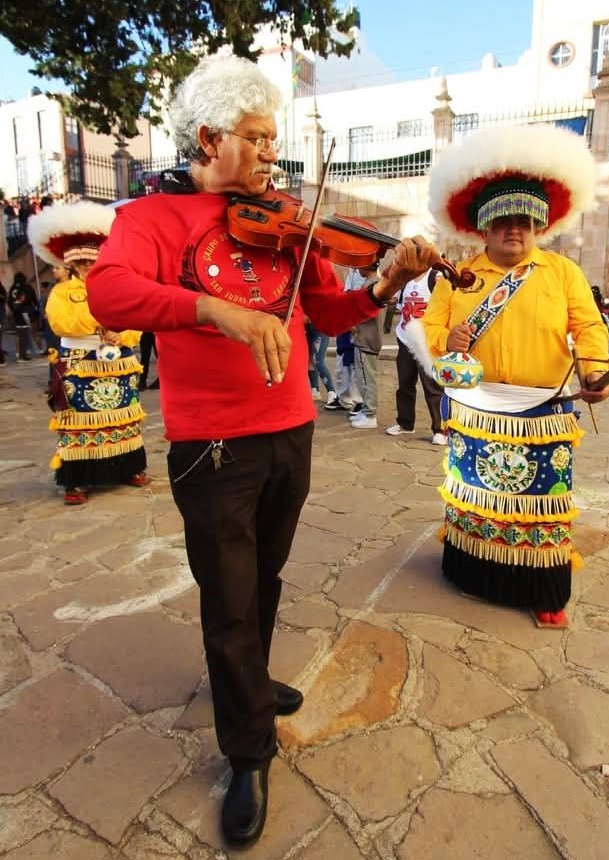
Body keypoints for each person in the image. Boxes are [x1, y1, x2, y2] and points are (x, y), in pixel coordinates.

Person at [84, 53, 439, 850]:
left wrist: (386, 282)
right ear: (208, 139)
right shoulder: (151, 221)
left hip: (290, 431)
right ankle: (247, 751)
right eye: (256, 138)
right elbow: (108, 293)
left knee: (264, 577)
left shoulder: (284, 218)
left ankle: (247, 680)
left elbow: (336, 313)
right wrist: (216, 310)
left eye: (275, 138)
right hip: (210, 445)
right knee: (229, 594)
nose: (272, 156)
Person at [413, 123, 609, 629]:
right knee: (475, 500)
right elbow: (430, 327)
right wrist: (447, 341)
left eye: (524, 220)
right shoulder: (459, 276)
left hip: (542, 413)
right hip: (476, 412)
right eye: (502, 222)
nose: (514, 230)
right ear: (483, 228)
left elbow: (588, 326)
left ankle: (544, 591)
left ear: (538, 225)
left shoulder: (562, 273)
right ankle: (472, 575)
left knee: (540, 508)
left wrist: (594, 369)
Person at [28, 201, 150, 506]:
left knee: (123, 417)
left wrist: (121, 332)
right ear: (72, 265)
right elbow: (61, 322)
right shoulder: (62, 293)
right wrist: (102, 322)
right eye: (81, 263)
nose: (87, 267)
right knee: (80, 420)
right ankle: (77, 478)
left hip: (117, 362)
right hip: (80, 362)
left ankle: (128, 467)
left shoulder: (119, 286)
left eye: (91, 261)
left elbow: (138, 319)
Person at [386, 268, 446, 445]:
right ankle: (405, 422)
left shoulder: (435, 277)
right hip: (405, 339)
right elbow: (395, 300)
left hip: (426, 343)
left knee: (432, 387)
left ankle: (440, 429)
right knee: (404, 384)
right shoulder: (405, 279)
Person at [344, 263, 383, 429]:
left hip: (367, 338)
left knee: (367, 379)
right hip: (364, 336)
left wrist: (352, 320)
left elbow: (366, 311)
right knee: (363, 377)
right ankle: (366, 410)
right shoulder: (373, 283)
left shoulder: (373, 285)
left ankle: (370, 414)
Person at [7, 271, 39, 360]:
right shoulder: (27, 288)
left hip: (16, 313)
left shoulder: (12, 288)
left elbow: (9, 301)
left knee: (19, 333)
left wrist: (13, 309)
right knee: (27, 332)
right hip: (26, 312)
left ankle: (19, 352)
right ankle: (24, 354)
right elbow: (33, 300)